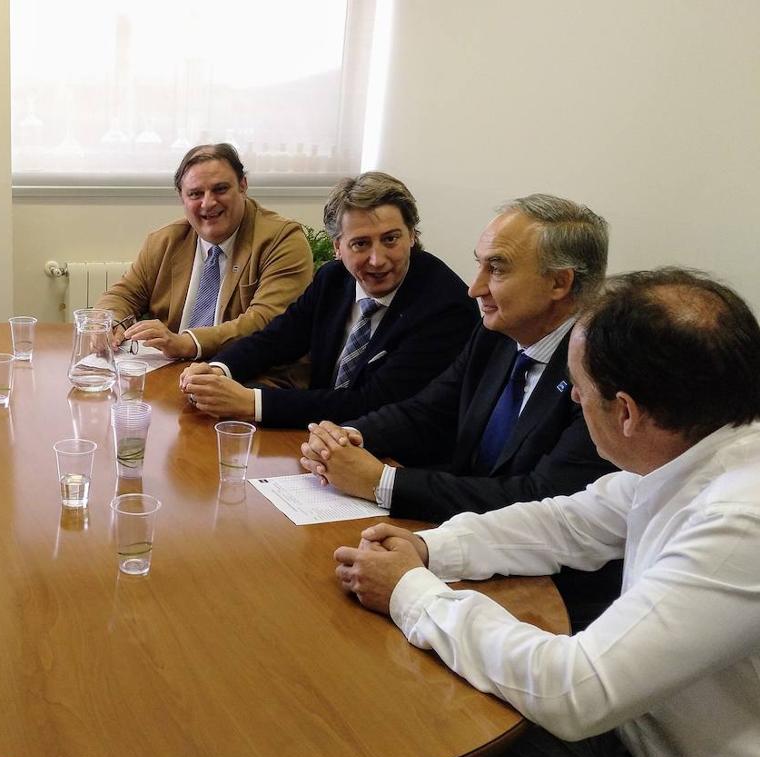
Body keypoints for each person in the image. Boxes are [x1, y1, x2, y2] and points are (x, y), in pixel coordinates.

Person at [332, 269, 760, 757]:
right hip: (633, 722)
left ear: (626, 412)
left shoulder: (739, 521)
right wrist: (429, 548)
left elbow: (575, 690)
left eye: (579, 387)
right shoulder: (698, 449)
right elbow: (568, 522)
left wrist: (411, 592)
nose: (574, 399)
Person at [300, 194, 620, 628]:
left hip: (545, 596)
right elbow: (426, 411)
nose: (475, 288)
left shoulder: (602, 372)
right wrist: (346, 438)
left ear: (559, 284)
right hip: (457, 547)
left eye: (498, 268)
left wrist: (382, 482)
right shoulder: (496, 334)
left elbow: (541, 499)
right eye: (480, 265)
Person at [178, 172, 476, 426]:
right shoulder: (333, 279)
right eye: (360, 243)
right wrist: (217, 371)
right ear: (338, 247)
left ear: (411, 235)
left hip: (394, 457)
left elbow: (370, 403)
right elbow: (277, 339)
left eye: (390, 239)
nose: (377, 259)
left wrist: (251, 402)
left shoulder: (445, 307)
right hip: (320, 439)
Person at [93, 143, 313, 360]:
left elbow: (267, 322)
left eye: (220, 189)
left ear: (243, 185)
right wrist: (108, 324)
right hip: (173, 372)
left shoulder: (282, 239)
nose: (208, 203)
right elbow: (122, 295)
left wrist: (188, 342)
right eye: (196, 194)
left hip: (252, 375)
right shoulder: (164, 242)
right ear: (182, 197)